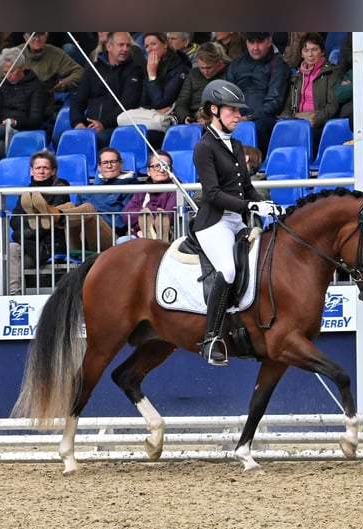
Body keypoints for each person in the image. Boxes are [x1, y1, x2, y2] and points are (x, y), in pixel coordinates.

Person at [192, 79, 280, 365]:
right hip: (214, 222)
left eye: (239, 112)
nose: (238, 117)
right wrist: (249, 204)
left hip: (238, 220)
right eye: (232, 111)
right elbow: (214, 193)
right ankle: (211, 338)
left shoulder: (237, 144)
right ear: (214, 110)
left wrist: (264, 203)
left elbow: (246, 186)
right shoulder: (204, 147)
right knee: (228, 270)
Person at [8, 149, 71, 295]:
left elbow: (57, 224)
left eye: (45, 168)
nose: (41, 171)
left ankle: (40, 215)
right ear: (31, 171)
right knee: (12, 248)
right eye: (38, 168)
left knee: (47, 221)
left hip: (51, 246)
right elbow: (15, 221)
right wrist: (29, 231)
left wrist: (30, 231)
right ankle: (14, 295)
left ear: (53, 171)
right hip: (30, 245)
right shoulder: (26, 194)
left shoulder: (61, 190)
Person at [71, 32, 144, 149]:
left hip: (115, 127)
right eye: (121, 45)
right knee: (59, 139)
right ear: (109, 46)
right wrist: (77, 122)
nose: (125, 49)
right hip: (90, 126)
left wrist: (104, 123)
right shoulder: (94, 68)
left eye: (128, 45)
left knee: (98, 139)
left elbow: (127, 104)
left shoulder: (134, 71)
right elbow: (78, 98)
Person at [225, 32, 291, 156]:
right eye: (251, 42)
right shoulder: (236, 63)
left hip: (263, 118)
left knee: (260, 126)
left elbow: (274, 101)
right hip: (236, 115)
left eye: (259, 42)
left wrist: (249, 117)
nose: (255, 47)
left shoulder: (279, 64)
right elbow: (227, 94)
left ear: (269, 41)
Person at [280, 32, 342, 153]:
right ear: (301, 53)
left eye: (314, 49)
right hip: (298, 120)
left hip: (318, 122)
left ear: (322, 51)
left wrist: (316, 120)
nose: (310, 54)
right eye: (306, 50)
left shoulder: (332, 73)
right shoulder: (297, 76)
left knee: (306, 136)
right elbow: (288, 105)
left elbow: (332, 105)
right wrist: (285, 120)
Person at [0, 47, 46, 158]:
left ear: (22, 67)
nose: (9, 76)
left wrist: (15, 122)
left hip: (25, 129)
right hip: (3, 127)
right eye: (5, 72)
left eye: (12, 71)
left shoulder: (37, 86)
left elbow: (36, 120)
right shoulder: (2, 85)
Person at [140, 32, 192, 148]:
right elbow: (143, 101)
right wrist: (154, 109)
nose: (149, 49)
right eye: (147, 46)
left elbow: (162, 102)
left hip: (171, 122)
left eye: (153, 44)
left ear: (165, 44)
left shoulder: (179, 68)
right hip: (153, 117)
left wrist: (152, 75)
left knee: (144, 136)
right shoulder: (150, 67)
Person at [18, 32, 83, 117]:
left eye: (41, 34)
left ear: (46, 36)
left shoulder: (56, 54)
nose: (37, 39)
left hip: (46, 108)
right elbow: (2, 80)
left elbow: (79, 71)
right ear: (25, 37)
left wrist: (65, 84)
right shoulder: (15, 54)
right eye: (33, 35)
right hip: (19, 107)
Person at [120, 149, 177, 242]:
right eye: (157, 166)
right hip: (138, 234)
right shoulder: (143, 190)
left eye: (165, 166)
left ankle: (151, 235)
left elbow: (168, 217)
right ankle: (148, 234)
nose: (162, 170)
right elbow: (127, 216)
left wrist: (142, 214)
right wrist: (152, 211)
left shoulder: (175, 189)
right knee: (122, 241)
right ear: (148, 171)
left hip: (167, 236)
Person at [174, 41, 230, 125]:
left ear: (219, 63)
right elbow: (181, 104)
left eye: (209, 68)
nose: (205, 71)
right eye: (201, 68)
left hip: (219, 121)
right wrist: (186, 118)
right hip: (194, 121)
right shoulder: (193, 74)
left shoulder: (229, 74)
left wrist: (212, 120)